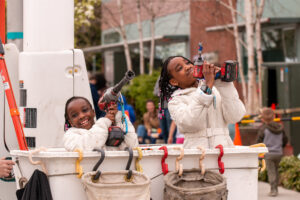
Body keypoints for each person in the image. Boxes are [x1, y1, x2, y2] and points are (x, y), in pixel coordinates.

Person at [158, 56, 246, 149]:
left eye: (188, 63)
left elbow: (235, 116)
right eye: (180, 68)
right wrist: (206, 88)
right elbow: (191, 123)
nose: (187, 67)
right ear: (174, 81)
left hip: (223, 155)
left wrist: (223, 85)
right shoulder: (175, 101)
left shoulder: (216, 90)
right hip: (196, 157)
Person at [63, 96, 138, 151]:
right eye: (74, 115)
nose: (81, 116)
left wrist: (118, 117)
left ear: (93, 112)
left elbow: (131, 146)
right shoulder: (70, 135)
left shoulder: (107, 129)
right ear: (70, 122)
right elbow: (90, 145)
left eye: (85, 110)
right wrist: (105, 121)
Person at [257, 107, 288, 197]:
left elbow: (259, 141)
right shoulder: (280, 128)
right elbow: (285, 140)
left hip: (269, 153)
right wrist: (280, 147)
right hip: (279, 153)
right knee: (276, 170)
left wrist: (260, 152)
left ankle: (273, 190)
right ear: (274, 117)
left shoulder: (263, 129)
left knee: (271, 172)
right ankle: (276, 188)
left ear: (262, 118)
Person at [154, 76, 173, 143]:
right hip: (161, 108)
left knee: (170, 129)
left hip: (170, 108)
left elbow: (175, 92)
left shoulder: (174, 76)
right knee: (163, 130)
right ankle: (166, 146)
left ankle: (173, 146)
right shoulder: (160, 77)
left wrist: (163, 91)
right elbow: (155, 92)